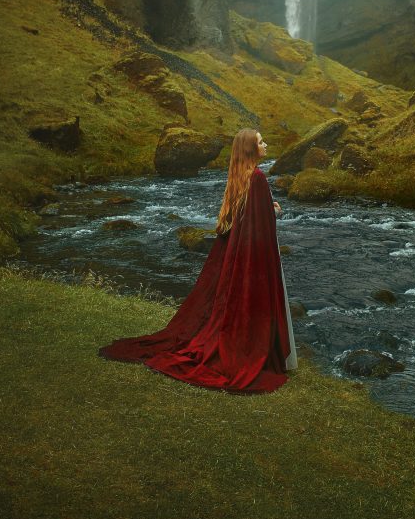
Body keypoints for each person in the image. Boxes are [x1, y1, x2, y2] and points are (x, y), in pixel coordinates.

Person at [98, 128, 298, 394]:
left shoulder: (240, 175)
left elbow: (244, 217)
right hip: (254, 257)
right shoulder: (258, 177)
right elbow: (256, 225)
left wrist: (267, 207)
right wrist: (274, 211)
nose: (266, 144)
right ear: (250, 149)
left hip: (241, 253)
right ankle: (255, 349)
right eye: (261, 142)